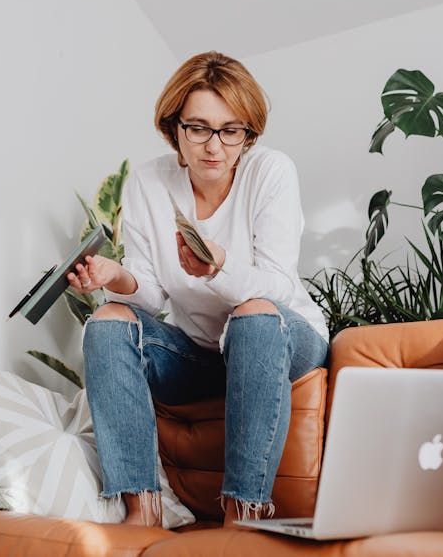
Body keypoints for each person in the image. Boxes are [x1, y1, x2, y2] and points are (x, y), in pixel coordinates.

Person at [66, 51, 329, 527]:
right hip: (205, 353)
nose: (215, 147)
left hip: (279, 338)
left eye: (232, 131)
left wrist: (219, 267)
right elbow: (150, 296)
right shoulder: (148, 181)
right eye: (199, 128)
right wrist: (115, 277)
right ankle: (141, 510)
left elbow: (279, 286)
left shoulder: (271, 172)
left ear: (248, 134)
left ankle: (242, 514)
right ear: (175, 129)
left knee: (253, 312)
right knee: (107, 322)